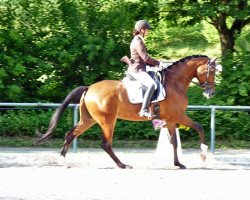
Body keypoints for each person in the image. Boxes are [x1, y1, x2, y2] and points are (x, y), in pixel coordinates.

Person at [127, 20, 160, 118]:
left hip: (140, 68)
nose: (148, 32)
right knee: (152, 84)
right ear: (141, 30)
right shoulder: (138, 41)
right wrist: (158, 63)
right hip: (137, 70)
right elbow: (145, 58)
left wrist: (154, 64)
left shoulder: (138, 40)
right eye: (147, 30)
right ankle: (144, 110)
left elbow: (143, 59)